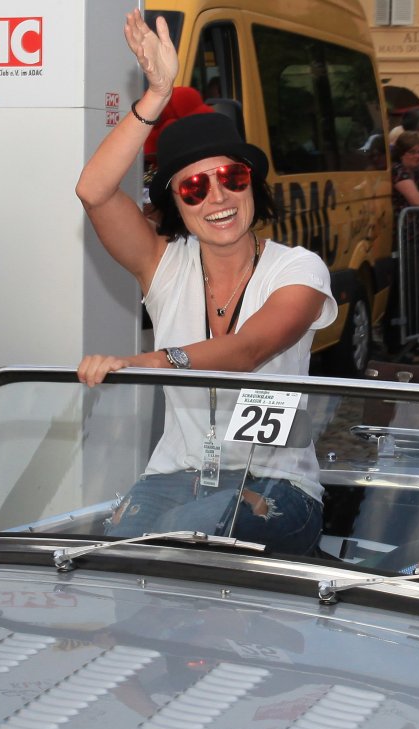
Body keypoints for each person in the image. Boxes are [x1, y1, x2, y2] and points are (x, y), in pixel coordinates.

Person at [75, 11, 336, 553]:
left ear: (252, 184)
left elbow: (247, 349)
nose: (217, 197)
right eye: (194, 187)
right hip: (176, 475)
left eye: (231, 177)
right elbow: (94, 191)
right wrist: (156, 96)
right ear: (175, 202)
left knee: (191, 543)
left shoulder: (297, 268)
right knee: (116, 558)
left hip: (277, 483)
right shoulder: (164, 265)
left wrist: (149, 360)